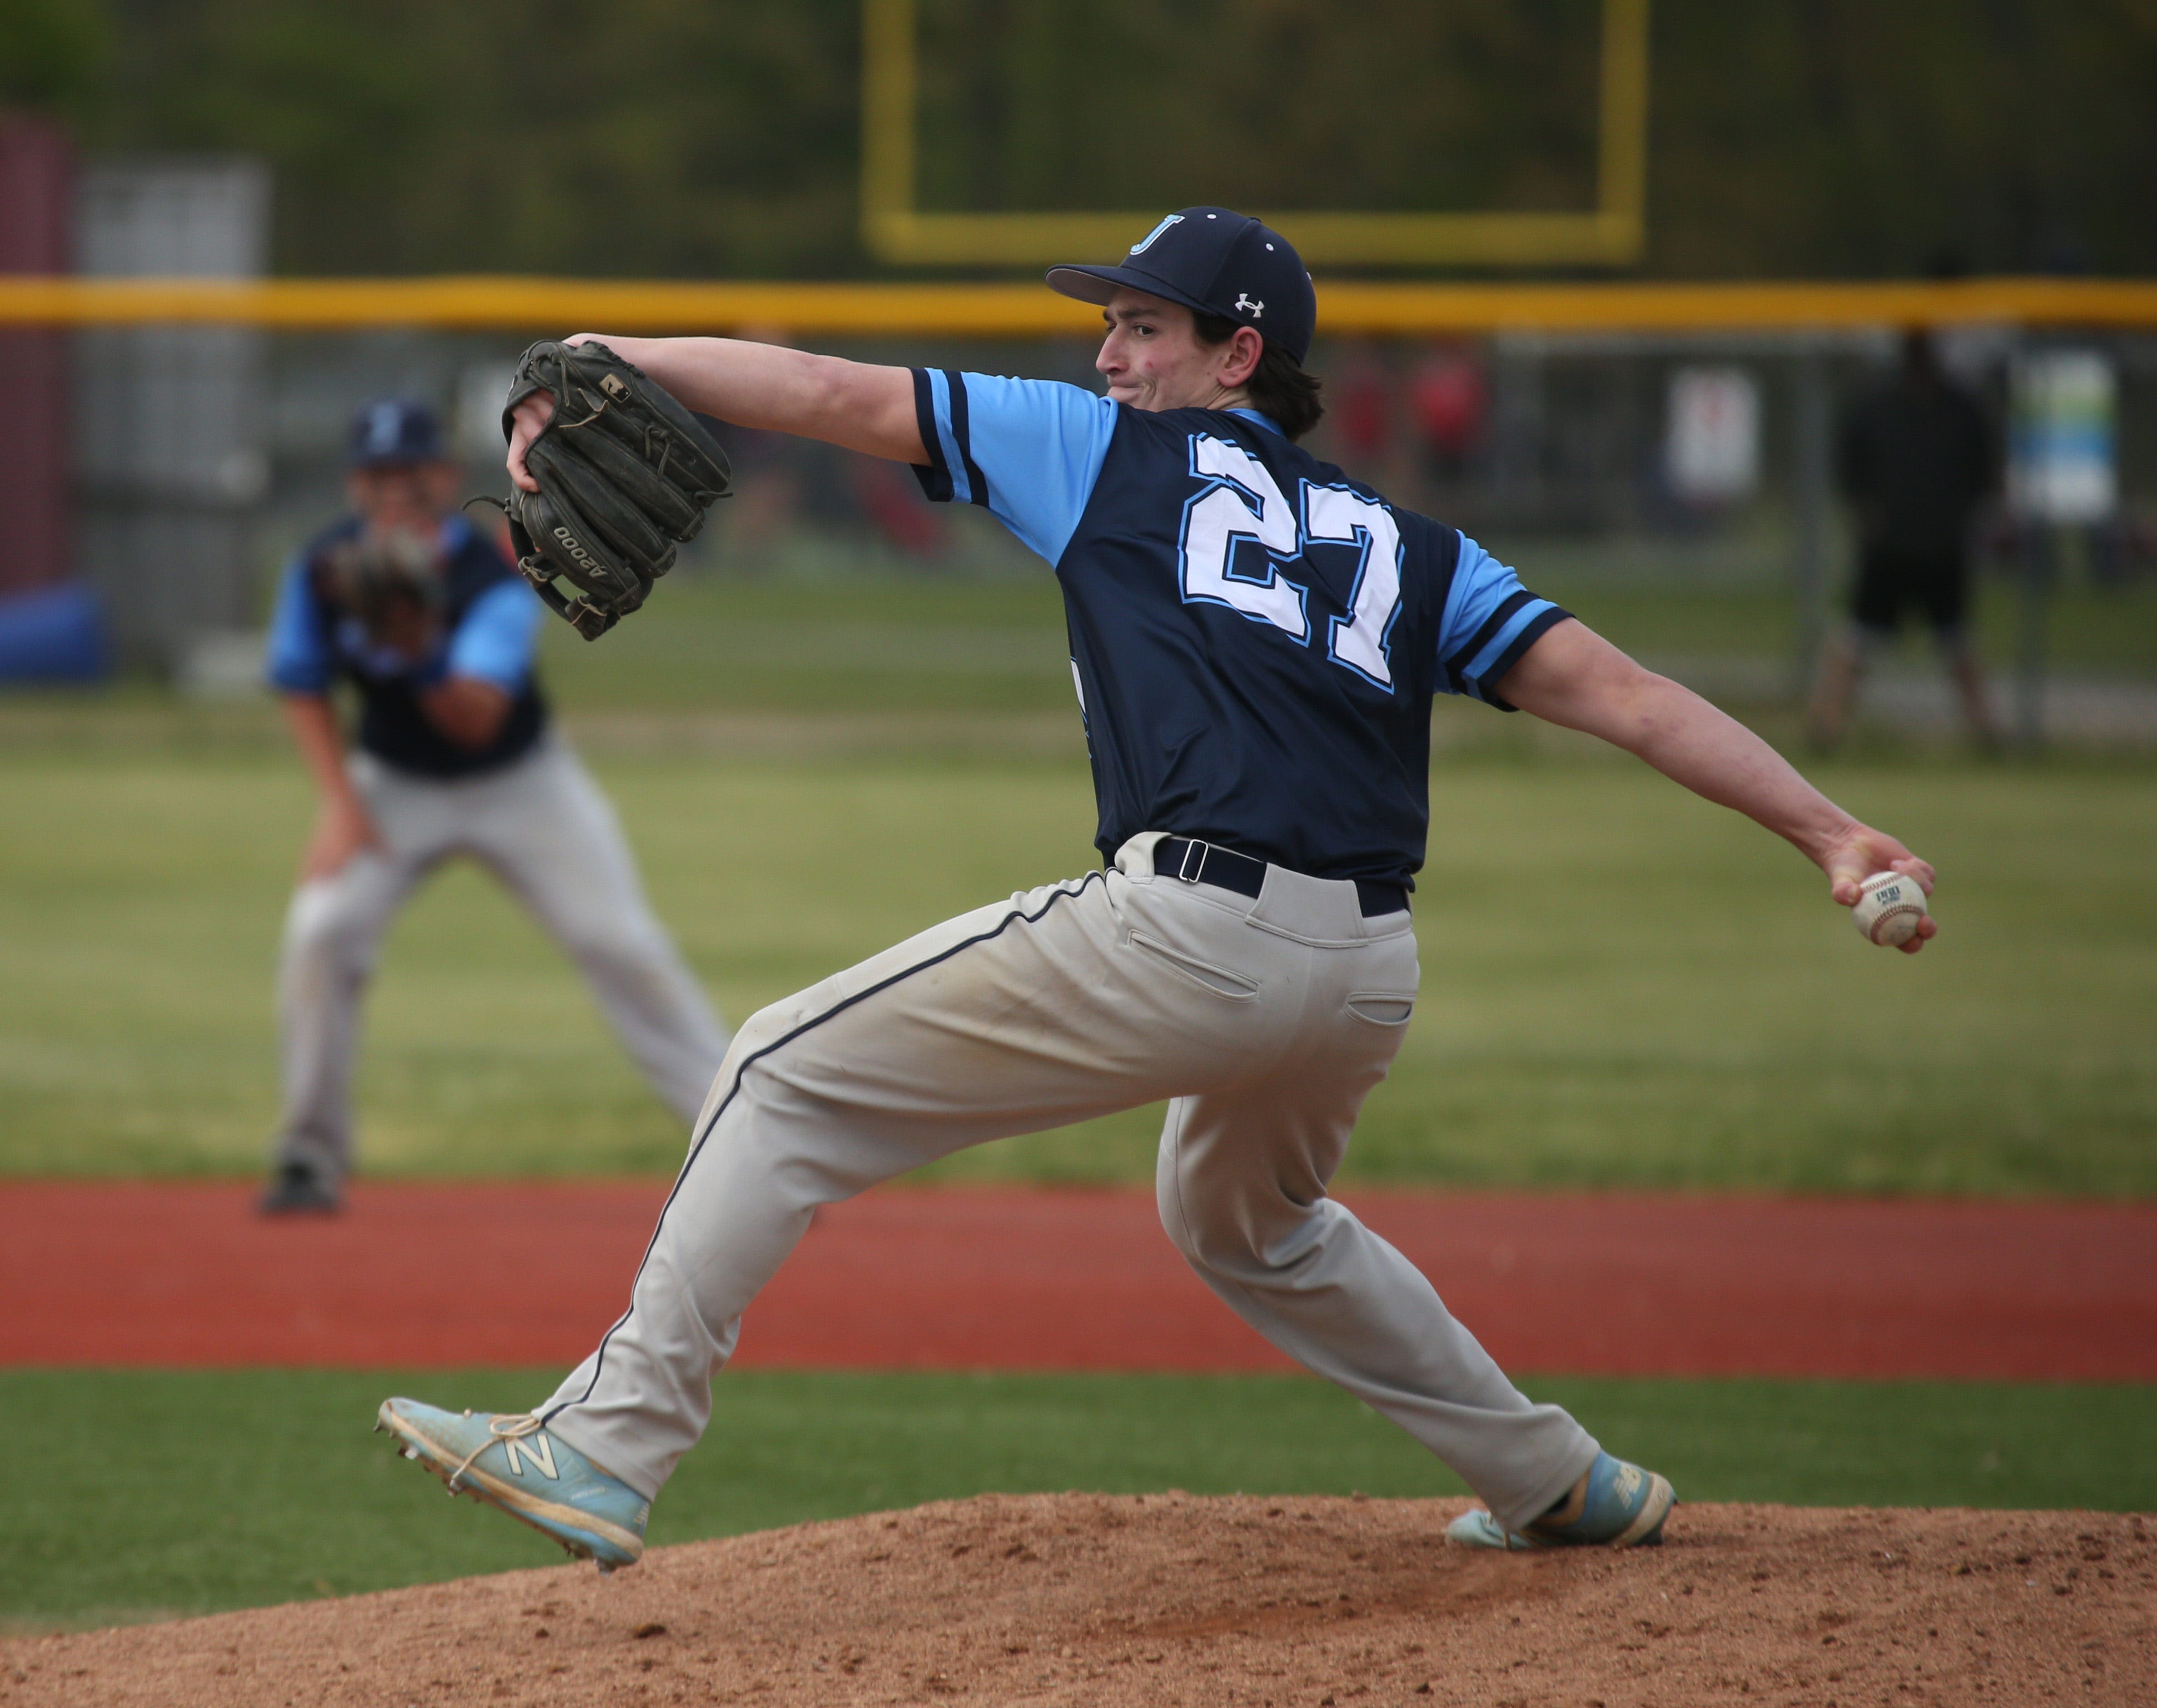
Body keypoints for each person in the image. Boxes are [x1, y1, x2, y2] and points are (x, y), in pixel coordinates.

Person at [377, 209, 1936, 1567]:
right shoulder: (1415, 546)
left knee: (778, 1069)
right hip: (1367, 974)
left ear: (1236, 355)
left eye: (1141, 325)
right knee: (1245, 1217)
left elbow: (832, 392)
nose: (1111, 354)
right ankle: (1551, 1478)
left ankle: (606, 1445)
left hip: (1194, 932)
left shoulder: (1104, 453)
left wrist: (586, 346)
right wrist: (1830, 833)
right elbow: (1632, 694)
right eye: (1112, 328)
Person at [259, 399, 731, 1214]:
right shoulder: (322, 567)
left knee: (619, 941)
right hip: (394, 784)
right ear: (354, 486)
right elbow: (301, 687)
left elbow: (475, 719)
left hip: (521, 784)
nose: (393, 490)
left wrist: (414, 648)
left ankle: (740, 1142)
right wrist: (340, 807)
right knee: (321, 929)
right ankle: (308, 1157)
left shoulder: (494, 578)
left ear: (443, 478)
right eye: (376, 476)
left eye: (410, 473)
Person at [1806, 328, 2002, 748]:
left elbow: (1984, 475)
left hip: (1940, 548)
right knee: (1855, 641)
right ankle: (1825, 732)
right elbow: (1849, 469)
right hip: (1888, 550)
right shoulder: (1876, 405)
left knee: (1958, 644)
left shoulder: (1961, 408)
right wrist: (1864, 513)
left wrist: (1967, 519)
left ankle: (1986, 736)